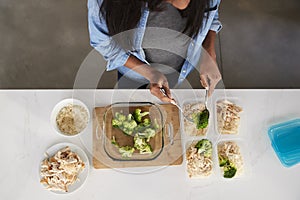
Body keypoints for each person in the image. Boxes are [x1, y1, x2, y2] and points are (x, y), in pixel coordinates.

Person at [88, 0, 222, 102]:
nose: (185, 5)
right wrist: (149, 72)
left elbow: (211, 12)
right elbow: (103, 42)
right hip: (132, 70)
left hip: (181, 67)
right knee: (130, 99)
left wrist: (209, 53)